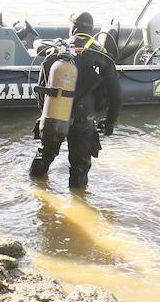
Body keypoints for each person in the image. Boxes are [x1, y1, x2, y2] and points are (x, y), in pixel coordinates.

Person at [30, 13, 121, 189]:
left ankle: (35, 198)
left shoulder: (56, 51)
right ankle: (78, 205)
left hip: (55, 116)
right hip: (84, 121)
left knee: (43, 159)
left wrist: (46, 114)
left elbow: (42, 88)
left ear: (73, 28)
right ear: (91, 30)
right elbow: (116, 95)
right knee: (79, 171)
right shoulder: (101, 56)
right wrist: (110, 123)